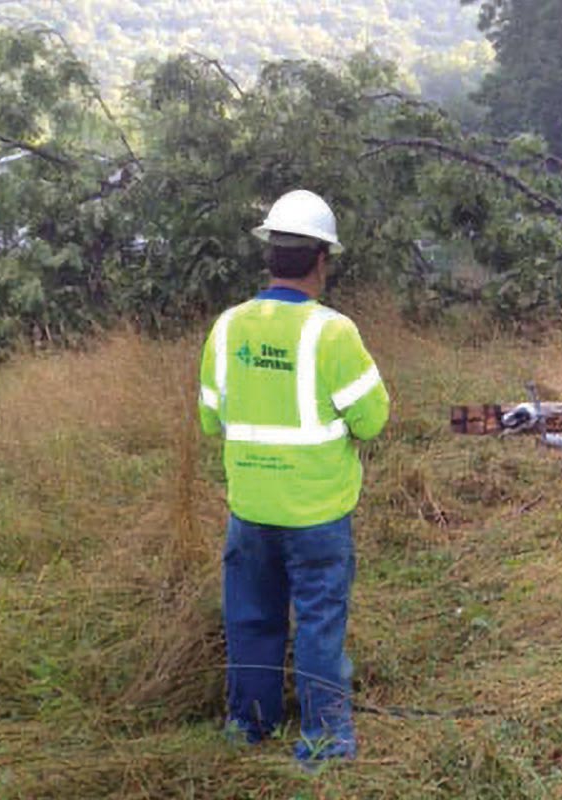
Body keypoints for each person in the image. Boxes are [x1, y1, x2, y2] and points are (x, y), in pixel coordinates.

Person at [197, 189, 389, 763]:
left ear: (269, 256)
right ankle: (325, 739)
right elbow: (372, 421)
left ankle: (250, 725)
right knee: (319, 627)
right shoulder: (334, 333)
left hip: (250, 510)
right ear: (322, 261)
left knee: (251, 620)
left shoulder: (228, 328)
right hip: (317, 514)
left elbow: (211, 418)